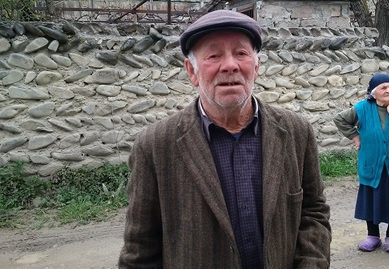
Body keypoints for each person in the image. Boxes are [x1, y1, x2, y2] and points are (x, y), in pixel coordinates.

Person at [118, 10, 331, 268]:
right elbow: (140, 251)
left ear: (256, 66)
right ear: (192, 71)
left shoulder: (297, 133)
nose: (230, 65)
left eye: (241, 53)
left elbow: (314, 213)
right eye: (214, 55)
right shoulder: (154, 146)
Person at [334, 73, 389, 253]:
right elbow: (340, 119)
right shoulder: (363, 108)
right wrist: (355, 137)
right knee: (372, 197)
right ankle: (372, 236)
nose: (388, 90)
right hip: (371, 163)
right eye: (383, 88)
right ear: (373, 93)